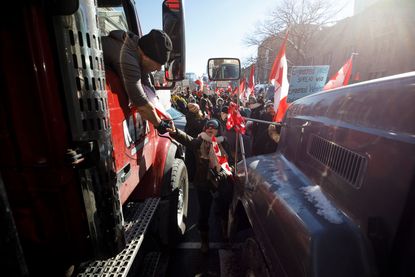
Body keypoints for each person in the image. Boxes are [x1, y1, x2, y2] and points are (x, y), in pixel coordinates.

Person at [167, 119, 233, 253]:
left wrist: (224, 174)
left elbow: (231, 163)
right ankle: (204, 242)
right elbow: (186, 139)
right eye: (208, 126)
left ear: (218, 129)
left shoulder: (224, 142)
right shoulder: (199, 141)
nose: (210, 128)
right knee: (204, 212)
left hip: (222, 182)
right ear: (204, 128)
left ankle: (225, 234)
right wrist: (174, 132)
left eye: (213, 127)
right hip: (203, 183)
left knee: (223, 209)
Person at [102, 29, 172, 133]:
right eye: (158, 64)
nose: (158, 69)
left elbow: (149, 89)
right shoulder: (126, 57)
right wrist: (160, 124)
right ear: (145, 56)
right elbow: (141, 103)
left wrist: (165, 115)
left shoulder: (138, 52)